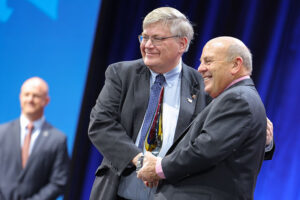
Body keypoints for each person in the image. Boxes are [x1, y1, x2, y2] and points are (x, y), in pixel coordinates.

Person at [88, 7, 274, 200]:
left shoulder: (206, 83)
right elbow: (101, 125)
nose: (148, 45)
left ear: (182, 44)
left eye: (157, 38)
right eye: (144, 37)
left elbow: (224, 135)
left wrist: (264, 139)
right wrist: (140, 161)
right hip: (120, 188)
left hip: (174, 190)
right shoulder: (121, 74)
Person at [137, 36, 268, 200]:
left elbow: (204, 151)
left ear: (235, 65)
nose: (200, 68)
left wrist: (159, 167)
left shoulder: (237, 99)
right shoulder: (237, 97)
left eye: (208, 61)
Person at [0, 77, 69, 200]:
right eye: (26, 94)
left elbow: (59, 181)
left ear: (46, 100)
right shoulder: (2, 132)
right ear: (20, 97)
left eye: (36, 96)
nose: (30, 99)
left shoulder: (58, 139)